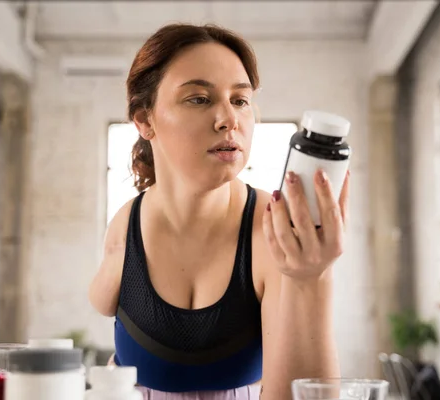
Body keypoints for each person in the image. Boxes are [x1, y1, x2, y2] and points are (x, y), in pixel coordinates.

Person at [89, 23, 350, 400]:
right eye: (199, 99)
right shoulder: (126, 223)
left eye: (240, 100)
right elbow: (101, 300)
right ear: (145, 120)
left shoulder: (271, 228)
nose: (230, 119)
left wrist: (313, 279)